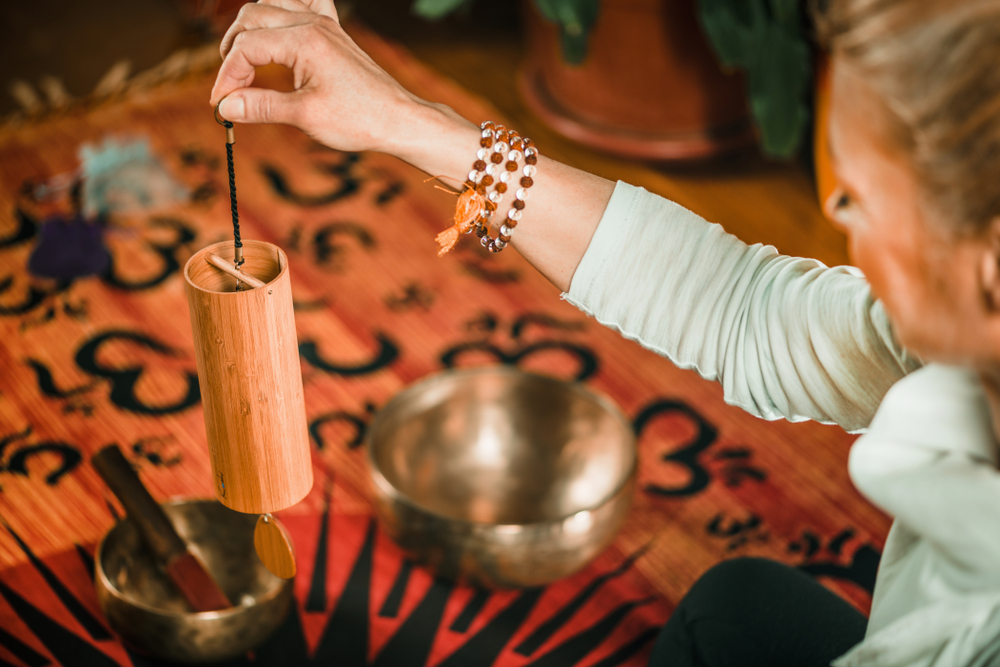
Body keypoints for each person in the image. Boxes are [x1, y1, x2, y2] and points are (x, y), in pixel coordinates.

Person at [210, 0, 1000, 664]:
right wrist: (407, 123)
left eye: (858, 197)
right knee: (737, 603)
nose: (833, 214)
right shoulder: (949, 337)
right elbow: (740, 305)